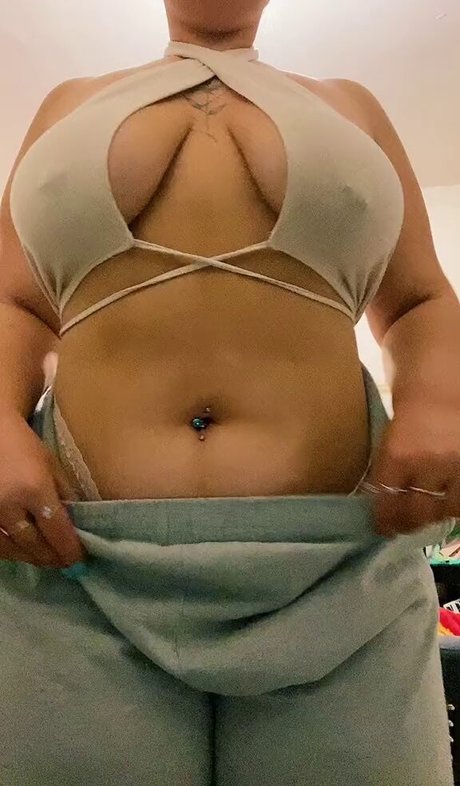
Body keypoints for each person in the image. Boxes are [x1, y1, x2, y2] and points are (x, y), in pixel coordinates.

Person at [0, 1, 459, 783]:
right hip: (76, 567)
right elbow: (16, 304)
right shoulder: (66, 102)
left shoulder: (352, 105)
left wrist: (439, 400)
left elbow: (420, 300)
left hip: (342, 573)